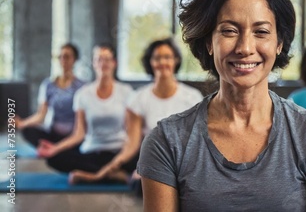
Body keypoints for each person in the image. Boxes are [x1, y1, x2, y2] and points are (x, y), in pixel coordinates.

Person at [138, 0, 306, 211]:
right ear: (208, 42)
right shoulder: (167, 141)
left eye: (261, 32)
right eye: (229, 30)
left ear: (279, 42)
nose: (245, 48)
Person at [79, 38, 203, 193]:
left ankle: (125, 176)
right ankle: (126, 176)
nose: (162, 62)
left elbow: (197, 141)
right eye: (157, 58)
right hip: (152, 158)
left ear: (176, 60)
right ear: (150, 62)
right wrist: (108, 168)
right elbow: (132, 143)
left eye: (167, 57)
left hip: (182, 159)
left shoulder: (192, 97)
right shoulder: (138, 98)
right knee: (142, 186)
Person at [36, 44, 136, 184]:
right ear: (93, 63)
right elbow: (79, 134)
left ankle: (95, 175)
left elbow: (131, 134)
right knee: (54, 158)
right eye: (99, 59)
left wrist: (123, 156)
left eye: (107, 59)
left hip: (118, 152)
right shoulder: (83, 94)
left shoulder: (127, 92)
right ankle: (113, 175)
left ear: (114, 63)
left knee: (143, 157)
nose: (103, 63)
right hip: (91, 152)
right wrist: (55, 148)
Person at [17, 43, 85, 148]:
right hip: (52, 133)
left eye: (67, 56)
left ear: (74, 59)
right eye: (60, 57)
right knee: (27, 130)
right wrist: (22, 123)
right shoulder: (48, 84)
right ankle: (52, 148)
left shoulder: (81, 86)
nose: (63, 60)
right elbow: (41, 114)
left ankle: (61, 148)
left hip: (73, 135)